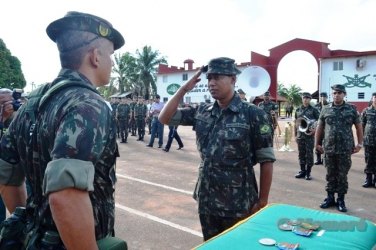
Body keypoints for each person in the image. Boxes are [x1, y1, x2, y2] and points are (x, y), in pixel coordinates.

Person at [0, 11, 125, 249]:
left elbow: (6, 175)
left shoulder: (31, 105)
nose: (112, 62)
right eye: (110, 55)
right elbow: (65, 196)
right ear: (96, 56)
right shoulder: (88, 104)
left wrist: (33, 225)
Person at [159, 57, 275, 241]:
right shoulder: (202, 111)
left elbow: (266, 161)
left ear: (233, 79)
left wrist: (262, 201)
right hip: (207, 200)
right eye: (209, 78)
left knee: (237, 246)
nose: (211, 83)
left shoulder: (253, 114)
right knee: (211, 244)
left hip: (239, 203)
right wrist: (183, 89)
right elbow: (164, 118)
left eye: (217, 77)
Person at [315, 84, 363, 213]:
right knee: (330, 174)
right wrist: (317, 143)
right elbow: (320, 127)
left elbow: (359, 127)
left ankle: (341, 200)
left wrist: (360, 144)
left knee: (342, 175)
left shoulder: (351, 109)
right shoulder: (325, 109)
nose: (336, 95)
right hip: (329, 148)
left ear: (344, 94)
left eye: (339, 93)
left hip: (345, 148)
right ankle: (330, 198)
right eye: (334, 93)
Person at [294, 92, 320, 180]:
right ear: (302, 98)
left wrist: (315, 130)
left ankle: (308, 173)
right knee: (301, 154)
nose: (305, 99)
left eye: (307, 98)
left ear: (310, 99)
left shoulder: (314, 110)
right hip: (300, 135)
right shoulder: (298, 110)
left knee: (309, 154)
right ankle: (302, 171)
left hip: (309, 136)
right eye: (304, 98)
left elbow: (320, 122)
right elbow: (296, 123)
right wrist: (295, 135)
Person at [0, 89, 15, 223]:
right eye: (3, 103)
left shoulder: (19, 118)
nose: (7, 105)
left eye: (9, 102)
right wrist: (2, 117)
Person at [360, 92, 376, 188]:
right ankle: (368, 179)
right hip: (369, 140)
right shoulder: (366, 111)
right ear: (372, 98)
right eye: (375, 97)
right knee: (369, 160)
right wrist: (361, 138)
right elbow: (361, 125)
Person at [314, 92, 329, 165]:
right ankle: (318, 158)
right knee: (318, 142)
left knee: (326, 143)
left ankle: (324, 158)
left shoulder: (329, 106)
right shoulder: (316, 106)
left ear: (326, 97)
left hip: (327, 128)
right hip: (319, 127)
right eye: (321, 97)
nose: (323, 98)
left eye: (324, 97)